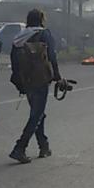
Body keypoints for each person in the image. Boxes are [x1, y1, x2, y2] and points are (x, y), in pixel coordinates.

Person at [9, 9, 63, 163]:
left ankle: (43, 146)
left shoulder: (20, 36)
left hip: (26, 80)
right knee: (37, 115)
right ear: (41, 20)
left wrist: (18, 79)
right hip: (40, 79)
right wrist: (57, 76)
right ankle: (20, 147)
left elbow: (14, 60)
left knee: (38, 112)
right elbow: (52, 56)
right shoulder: (44, 34)